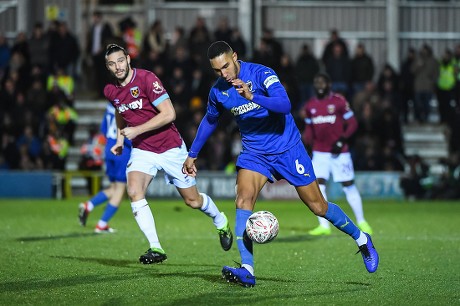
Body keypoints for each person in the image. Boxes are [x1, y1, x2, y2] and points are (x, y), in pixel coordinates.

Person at [182, 41, 379, 288]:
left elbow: (285, 105)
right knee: (243, 201)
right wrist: (193, 153)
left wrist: (252, 96)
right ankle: (247, 269)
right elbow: (210, 120)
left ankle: (362, 240)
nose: (223, 74)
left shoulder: (262, 74)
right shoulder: (218, 91)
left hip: (288, 149)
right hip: (255, 153)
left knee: (318, 206)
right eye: (217, 71)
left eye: (226, 66)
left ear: (235, 57)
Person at [103, 44, 233, 264]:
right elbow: (120, 109)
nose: (118, 67)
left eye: (120, 61)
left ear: (128, 59)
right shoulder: (110, 90)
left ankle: (220, 221)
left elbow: (169, 114)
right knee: (134, 191)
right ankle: (156, 247)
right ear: (108, 67)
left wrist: (136, 130)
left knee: (192, 201)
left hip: (170, 147)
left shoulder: (146, 79)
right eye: (112, 64)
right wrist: (120, 139)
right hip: (142, 149)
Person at [301, 72, 373, 236]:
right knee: (318, 187)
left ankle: (362, 221)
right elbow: (309, 130)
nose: (319, 86)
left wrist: (342, 139)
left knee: (348, 185)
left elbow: (353, 123)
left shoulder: (338, 101)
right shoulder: (310, 105)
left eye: (322, 83)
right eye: (316, 83)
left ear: (329, 85)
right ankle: (324, 226)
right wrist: (306, 145)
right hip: (320, 152)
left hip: (340, 152)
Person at [78, 103, 131, 233]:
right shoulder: (129, 104)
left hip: (109, 149)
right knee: (120, 189)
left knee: (114, 188)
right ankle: (102, 224)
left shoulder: (110, 106)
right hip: (122, 150)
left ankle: (88, 205)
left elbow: (103, 130)